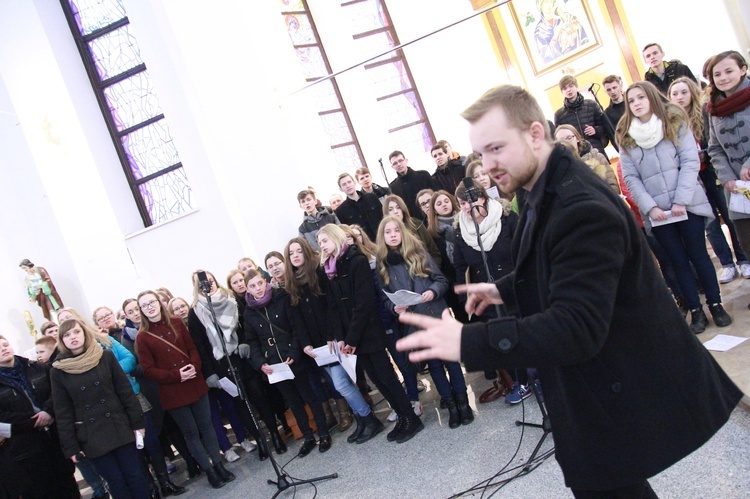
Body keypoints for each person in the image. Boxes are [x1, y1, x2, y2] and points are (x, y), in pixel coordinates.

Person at [397, 84, 743, 498]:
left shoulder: (579, 205)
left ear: (536, 134)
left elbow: (575, 327)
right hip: (597, 386)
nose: (486, 166)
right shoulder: (542, 188)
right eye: (481, 154)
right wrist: (504, 289)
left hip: (615, 387)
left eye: (495, 148)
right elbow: (556, 262)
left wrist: (468, 340)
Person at [618, 81, 732, 333]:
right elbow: (630, 178)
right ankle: (696, 311)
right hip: (658, 214)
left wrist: (681, 199)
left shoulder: (674, 122)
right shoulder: (626, 136)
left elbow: (690, 162)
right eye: (631, 100)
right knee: (678, 262)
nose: (636, 103)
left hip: (687, 204)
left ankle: (715, 304)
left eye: (640, 98)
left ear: (652, 98)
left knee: (699, 256)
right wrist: (650, 208)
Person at [316, 224, 422, 444]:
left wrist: (352, 338)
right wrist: (342, 338)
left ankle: (411, 418)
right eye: (319, 243)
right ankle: (402, 417)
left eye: (324, 241)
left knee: (387, 377)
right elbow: (333, 306)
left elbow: (364, 304)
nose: (321, 246)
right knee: (377, 380)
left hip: (368, 331)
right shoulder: (328, 268)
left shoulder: (357, 261)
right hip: (352, 337)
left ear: (335, 238)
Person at [375, 216, 473, 428]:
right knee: (435, 365)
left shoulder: (418, 253)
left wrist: (432, 291)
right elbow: (384, 299)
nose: (392, 235)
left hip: (435, 313)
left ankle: (463, 403)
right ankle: (451, 406)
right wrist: (394, 307)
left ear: (402, 232)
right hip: (414, 321)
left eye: (396, 230)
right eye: (387, 232)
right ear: (382, 237)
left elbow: (441, 281)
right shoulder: (382, 266)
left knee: (451, 361)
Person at [283, 237, 382, 443]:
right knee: (340, 385)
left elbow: (332, 307)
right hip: (316, 347)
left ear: (306, 251)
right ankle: (362, 420)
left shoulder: (320, 272)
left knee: (341, 384)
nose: (295, 256)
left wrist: (332, 335)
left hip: (332, 339)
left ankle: (369, 418)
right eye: (291, 253)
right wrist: (305, 344)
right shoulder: (291, 282)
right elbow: (297, 320)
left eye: (298, 251)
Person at [135, 290, 235, 489]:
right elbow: (148, 369)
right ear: (141, 310)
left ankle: (219, 464)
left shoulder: (177, 322)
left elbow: (192, 348)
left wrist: (195, 367)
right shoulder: (142, 337)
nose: (150, 307)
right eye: (145, 305)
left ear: (159, 303)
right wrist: (177, 376)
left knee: (207, 427)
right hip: (173, 392)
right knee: (190, 433)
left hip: (195, 383)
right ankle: (209, 471)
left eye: (152, 302)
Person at [186, 270, 279, 462]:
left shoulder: (230, 298)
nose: (207, 285)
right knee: (240, 403)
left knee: (259, 396)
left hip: (243, 357)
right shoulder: (195, 311)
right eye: (202, 283)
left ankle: (275, 435)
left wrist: (244, 341)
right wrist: (210, 373)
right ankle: (260, 440)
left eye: (210, 280)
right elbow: (200, 345)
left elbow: (245, 324)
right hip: (221, 364)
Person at [51, 319, 149, 499]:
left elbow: (125, 393)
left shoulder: (105, 357)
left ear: (85, 333)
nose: (73, 337)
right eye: (67, 335)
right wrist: (71, 447)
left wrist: (137, 423)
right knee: (116, 481)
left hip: (120, 426)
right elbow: (63, 411)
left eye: (76, 332)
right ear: (61, 340)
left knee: (135, 475)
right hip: (92, 436)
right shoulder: (58, 370)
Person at [669, 76, 750, 284]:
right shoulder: (670, 121)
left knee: (729, 215)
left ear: (692, 93)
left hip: (712, 171)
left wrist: (704, 153)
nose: (680, 97)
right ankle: (726, 264)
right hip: (692, 177)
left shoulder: (705, 113)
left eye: (684, 92)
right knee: (710, 223)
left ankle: (742, 259)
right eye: (675, 93)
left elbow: (715, 143)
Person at [243, 269, 332, 457]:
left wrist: (294, 352)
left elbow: (296, 326)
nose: (257, 288)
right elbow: (252, 341)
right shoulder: (248, 312)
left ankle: (323, 432)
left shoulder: (282, 298)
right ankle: (308, 436)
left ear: (266, 282)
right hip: (274, 366)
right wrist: (260, 363)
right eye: (252, 286)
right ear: (247, 289)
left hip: (293, 357)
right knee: (293, 402)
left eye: (260, 283)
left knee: (309, 396)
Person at [0, 334, 80, 499]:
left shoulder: (37, 367)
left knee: (69, 488)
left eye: (5, 344)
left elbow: (57, 392)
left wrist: (48, 411)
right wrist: (33, 421)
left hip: (55, 439)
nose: (3, 349)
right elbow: (4, 417)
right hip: (27, 450)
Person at [707, 50, 750, 308]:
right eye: (717, 74)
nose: (723, 77)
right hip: (737, 188)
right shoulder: (713, 108)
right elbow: (714, 148)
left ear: (743, 69)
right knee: (747, 238)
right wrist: (727, 177)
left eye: (728, 71)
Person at [554, 75, 609, 157]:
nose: (568, 90)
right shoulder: (559, 115)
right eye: (565, 88)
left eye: (571, 86)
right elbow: (559, 140)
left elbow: (605, 126)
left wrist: (595, 130)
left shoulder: (591, 104)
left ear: (576, 87)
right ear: (562, 92)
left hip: (596, 150)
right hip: (576, 155)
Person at [554, 124, 620, 193]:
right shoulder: (559, 168)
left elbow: (612, 183)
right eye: (561, 141)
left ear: (577, 138)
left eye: (569, 138)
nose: (566, 142)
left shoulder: (597, 157)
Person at [383, 194, 442, 268]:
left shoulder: (417, 224)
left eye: (398, 208)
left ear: (403, 209)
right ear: (386, 213)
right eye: (390, 209)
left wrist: (433, 271)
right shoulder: (385, 234)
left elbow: (434, 252)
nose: (395, 212)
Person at [333, 173, 384, 241]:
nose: (348, 186)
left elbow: (383, 217)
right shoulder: (340, 211)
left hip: (381, 239)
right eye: (344, 184)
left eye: (349, 182)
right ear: (341, 189)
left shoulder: (372, 197)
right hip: (363, 246)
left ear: (354, 183)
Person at [388, 150, 435, 221]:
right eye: (395, 163)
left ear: (406, 161)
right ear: (392, 167)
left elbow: (435, 195)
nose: (399, 164)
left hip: (432, 218)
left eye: (400, 161)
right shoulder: (393, 187)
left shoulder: (423, 175)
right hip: (413, 224)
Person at [602, 75, 626, 148]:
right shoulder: (607, 114)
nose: (612, 91)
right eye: (609, 90)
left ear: (620, 86)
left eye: (614, 87)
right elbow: (613, 137)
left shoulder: (632, 102)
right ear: (605, 91)